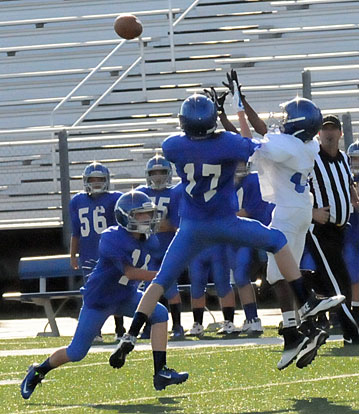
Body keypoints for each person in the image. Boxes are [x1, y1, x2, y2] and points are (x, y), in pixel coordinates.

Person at [109, 93, 344, 374]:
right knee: (277, 242)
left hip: (192, 226)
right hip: (226, 221)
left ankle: (131, 334)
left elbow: (197, 144)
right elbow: (254, 145)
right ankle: (305, 301)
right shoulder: (228, 144)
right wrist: (232, 114)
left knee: (160, 281)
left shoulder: (172, 146)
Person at [20, 191, 189, 400]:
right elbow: (130, 272)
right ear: (125, 216)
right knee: (76, 352)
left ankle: (160, 371)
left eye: (148, 214)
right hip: (99, 301)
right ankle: (38, 371)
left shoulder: (151, 241)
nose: (148, 219)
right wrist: (164, 274)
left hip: (126, 295)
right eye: (141, 215)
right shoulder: (111, 237)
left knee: (160, 313)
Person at [219, 71, 335, 369]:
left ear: (296, 123)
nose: (283, 118)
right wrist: (239, 101)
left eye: (288, 116)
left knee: (276, 276)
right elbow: (260, 132)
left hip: (286, 212)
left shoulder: (288, 147)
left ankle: (295, 331)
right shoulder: (306, 144)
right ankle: (304, 326)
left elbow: (248, 141)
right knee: (287, 273)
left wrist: (238, 108)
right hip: (299, 211)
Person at [306, 115, 359, 346]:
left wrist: (355, 200)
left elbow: (348, 185)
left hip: (340, 229)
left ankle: (304, 292)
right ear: (319, 134)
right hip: (320, 229)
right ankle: (351, 333)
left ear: (340, 133)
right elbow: (294, 188)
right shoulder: (310, 159)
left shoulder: (345, 159)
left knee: (340, 282)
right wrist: (312, 212)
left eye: (332, 129)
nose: (328, 133)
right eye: (324, 130)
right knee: (338, 284)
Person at [69, 161, 124, 342]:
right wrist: (73, 255)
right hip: (88, 254)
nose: (96, 182)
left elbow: (122, 230)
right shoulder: (77, 201)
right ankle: (95, 331)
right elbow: (76, 232)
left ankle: (120, 329)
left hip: (110, 253)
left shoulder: (115, 198)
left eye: (100, 179)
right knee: (92, 294)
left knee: (116, 290)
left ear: (107, 180)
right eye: (92, 179)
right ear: (85, 180)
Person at [136, 155, 184, 339]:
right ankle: (147, 326)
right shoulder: (140, 193)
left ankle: (177, 326)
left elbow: (175, 224)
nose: (157, 176)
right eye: (154, 173)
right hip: (148, 250)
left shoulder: (174, 193)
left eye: (162, 172)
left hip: (167, 248)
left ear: (169, 174)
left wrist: (156, 224)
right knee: (147, 290)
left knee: (171, 289)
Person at [227, 161, 275, 335]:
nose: (238, 166)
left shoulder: (253, 180)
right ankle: (252, 318)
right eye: (235, 162)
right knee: (240, 276)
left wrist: (221, 218)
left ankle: (295, 316)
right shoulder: (222, 182)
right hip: (236, 237)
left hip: (256, 232)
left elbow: (250, 211)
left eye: (242, 162)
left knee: (278, 276)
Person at [187, 244, 238, 336]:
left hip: (217, 244)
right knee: (196, 284)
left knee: (222, 282)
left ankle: (229, 322)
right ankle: (197, 323)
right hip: (197, 246)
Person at [344, 140, 359, 324]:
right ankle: (353, 311)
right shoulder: (344, 179)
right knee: (352, 273)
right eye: (354, 159)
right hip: (349, 234)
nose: (356, 164)